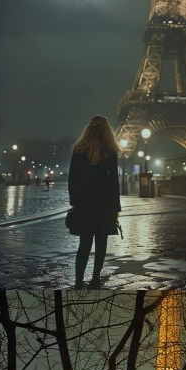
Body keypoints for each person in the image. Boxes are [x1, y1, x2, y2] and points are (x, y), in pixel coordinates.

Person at [67, 115, 121, 289]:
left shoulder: (79, 150)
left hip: (84, 204)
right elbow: (114, 182)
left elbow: (72, 179)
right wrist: (115, 207)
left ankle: (78, 279)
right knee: (101, 243)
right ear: (107, 131)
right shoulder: (110, 152)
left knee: (84, 243)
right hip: (104, 204)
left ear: (88, 130)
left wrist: (74, 200)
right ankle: (96, 277)